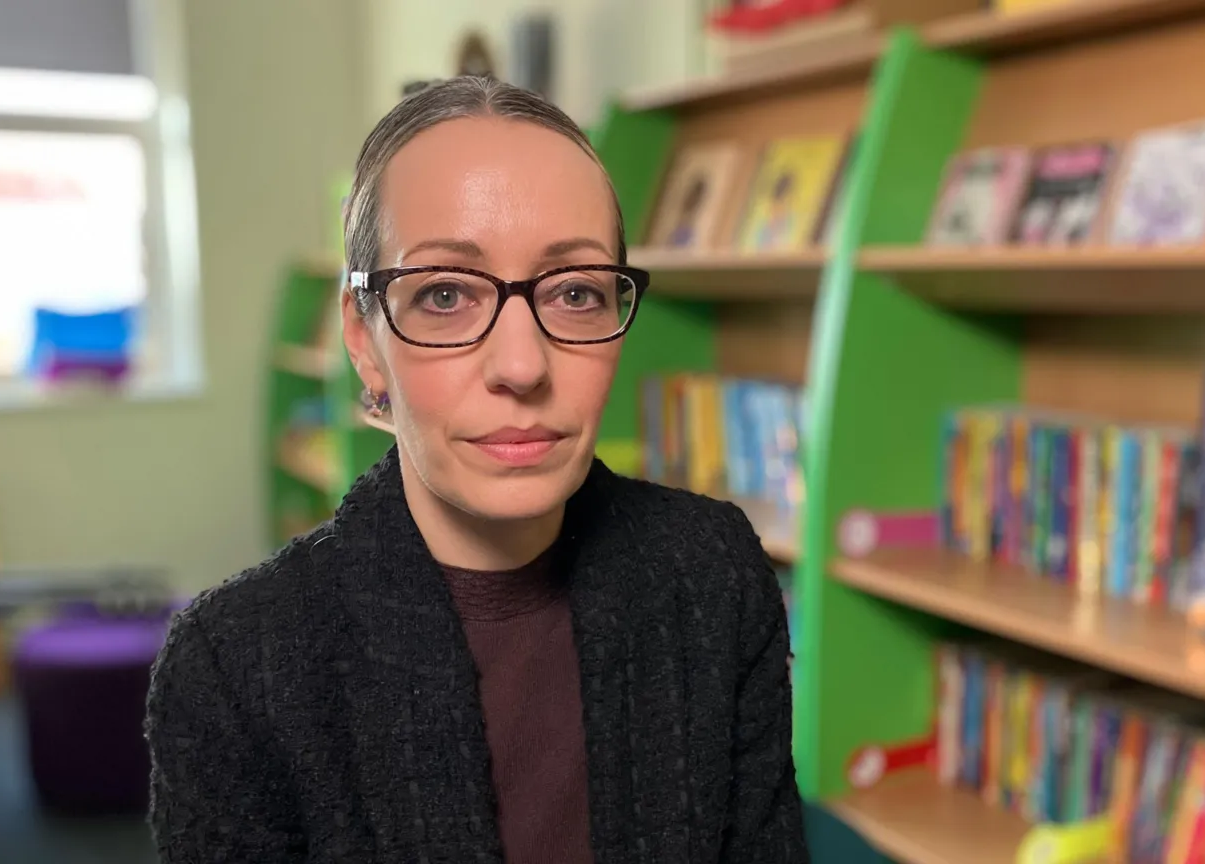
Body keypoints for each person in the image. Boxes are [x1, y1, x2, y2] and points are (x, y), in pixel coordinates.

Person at [145, 76, 807, 863]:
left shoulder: (715, 573)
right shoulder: (233, 667)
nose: (523, 365)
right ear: (363, 339)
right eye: (447, 294)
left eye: (575, 293)